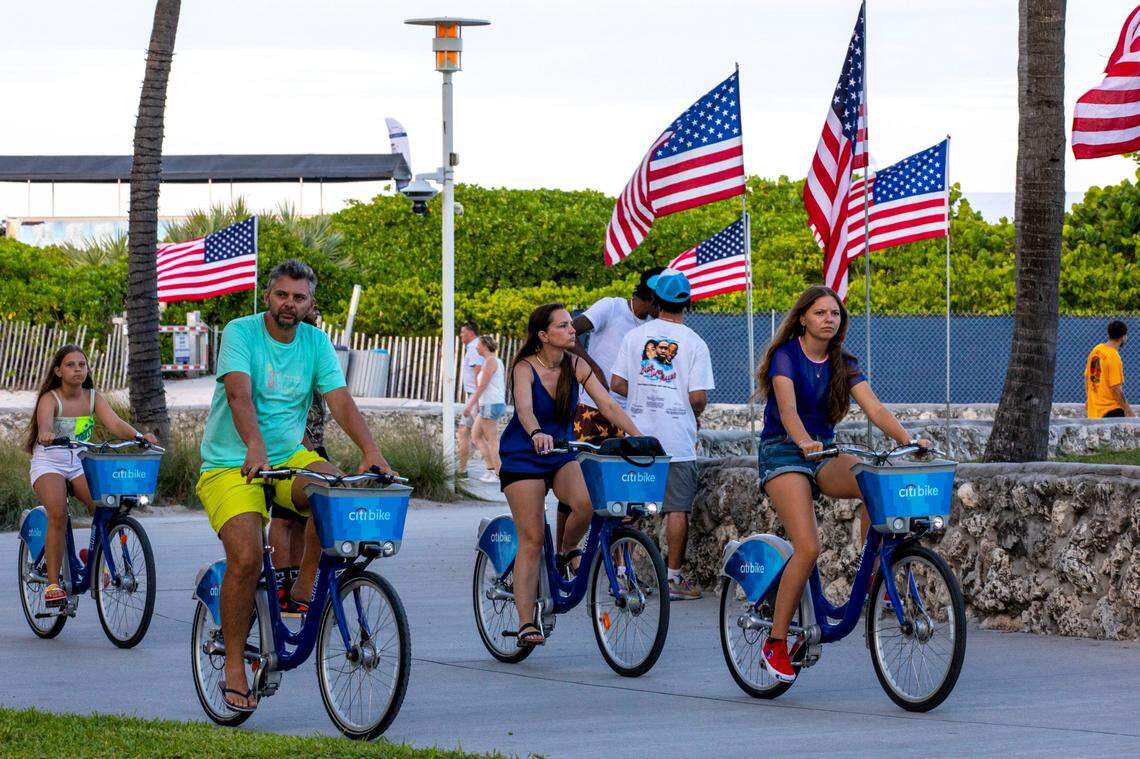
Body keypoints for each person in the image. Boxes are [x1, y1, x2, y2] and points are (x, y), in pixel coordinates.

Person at [195, 259, 394, 713]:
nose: (289, 304)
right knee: (245, 557)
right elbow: (238, 394)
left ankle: (301, 593)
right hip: (232, 462)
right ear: (268, 295)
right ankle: (232, 666)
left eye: (299, 297)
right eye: (282, 294)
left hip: (289, 455)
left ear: (310, 303)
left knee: (336, 491)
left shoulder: (316, 341)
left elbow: (339, 400)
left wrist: (371, 450)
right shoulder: (241, 332)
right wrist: (254, 445)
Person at [753, 285, 929, 683]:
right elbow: (788, 410)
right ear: (803, 318)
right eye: (820, 313)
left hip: (823, 454)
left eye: (834, 313)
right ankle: (776, 642)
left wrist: (908, 440)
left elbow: (875, 407)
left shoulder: (843, 362)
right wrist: (802, 442)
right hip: (784, 452)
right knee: (809, 546)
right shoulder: (786, 356)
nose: (828, 319)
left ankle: (875, 576)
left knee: (875, 482)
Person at [498, 303, 643, 647]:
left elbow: (607, 404)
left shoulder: (576, 365)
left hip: (561, 452)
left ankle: (566, 549)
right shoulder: (524, 367)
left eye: (570, 325)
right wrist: (535, 433)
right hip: (524, 455)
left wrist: (638, 437)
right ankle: (524, 622)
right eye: (563, 326)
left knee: (585, 503)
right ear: (544, 335)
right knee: (532, 538)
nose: (572, 330)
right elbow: (525, 410)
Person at [24, 344, 158, 608]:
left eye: (82, 365)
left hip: (79, 462)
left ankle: (95, 557)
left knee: (106, 504)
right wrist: (47, 434)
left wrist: (139, 437)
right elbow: (46, 424)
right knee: (59, 513)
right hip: (50, 460)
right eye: (71, 365)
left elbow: (116, 423)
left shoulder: (93, 397)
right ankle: (53, 584)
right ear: (58, 371)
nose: (77, 369)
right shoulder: (50, 399)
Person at [610, 270, 713, 602]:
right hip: (677, 439)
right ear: (688, 302)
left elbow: (616, 384)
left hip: (638, 437)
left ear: (655, 300)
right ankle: (673, 578)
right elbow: (697, 397)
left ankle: (623, 576)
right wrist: (689, 409)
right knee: (677, 509)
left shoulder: (635, 337)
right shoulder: (696, 342)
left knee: (631, 508)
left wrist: (644, 392)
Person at [553, 267, 662, 549]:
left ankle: (616, 561)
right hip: (591, 410)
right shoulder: (611, 307)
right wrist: (591, 368)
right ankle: (564, 552)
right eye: (658, 301)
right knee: (576, 488)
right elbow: (570, 332)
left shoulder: (653, 328)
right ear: (649, 298)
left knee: (625, 495)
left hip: (627, 415)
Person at [267, 307, 329, 616]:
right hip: (291, 444)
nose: (316, 311)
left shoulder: (316, 345)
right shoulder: (287, 350)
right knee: (284, 519)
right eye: (312, 306)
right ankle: (286, 585)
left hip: (313, 443)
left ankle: (300, 583)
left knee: (311, 517)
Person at [463, 334, 507, 483]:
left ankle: (498, 473)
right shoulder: (493, 361)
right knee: (476, 436)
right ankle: (491, 469)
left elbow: (482, 386)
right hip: (489, 404)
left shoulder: (491, 362)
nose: (476, 347)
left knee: (492, 440)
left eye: (479, 345)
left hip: (490, 405)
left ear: (485, 346)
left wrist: (470, 405)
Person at [1085, 320, 1133, 419]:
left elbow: (1087, 377)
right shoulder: (1114, 357)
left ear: (1109, 334)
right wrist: (1129, 412)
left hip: (1094, 411)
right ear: (1123, 337)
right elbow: (1116, 390)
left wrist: (1089, 400)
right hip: (1110, 411)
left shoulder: (1096, 350)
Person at [457, 320, 485, 479]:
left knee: (482, 434)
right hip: (473, 397)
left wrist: (477, 400)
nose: (461, 335)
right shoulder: (473, 347)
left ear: (471, 332)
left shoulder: (474, 347)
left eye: (463, 332)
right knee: (465, 431)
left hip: (474, 397)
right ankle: (462, 470)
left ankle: (496, 469)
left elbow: (478, 373)